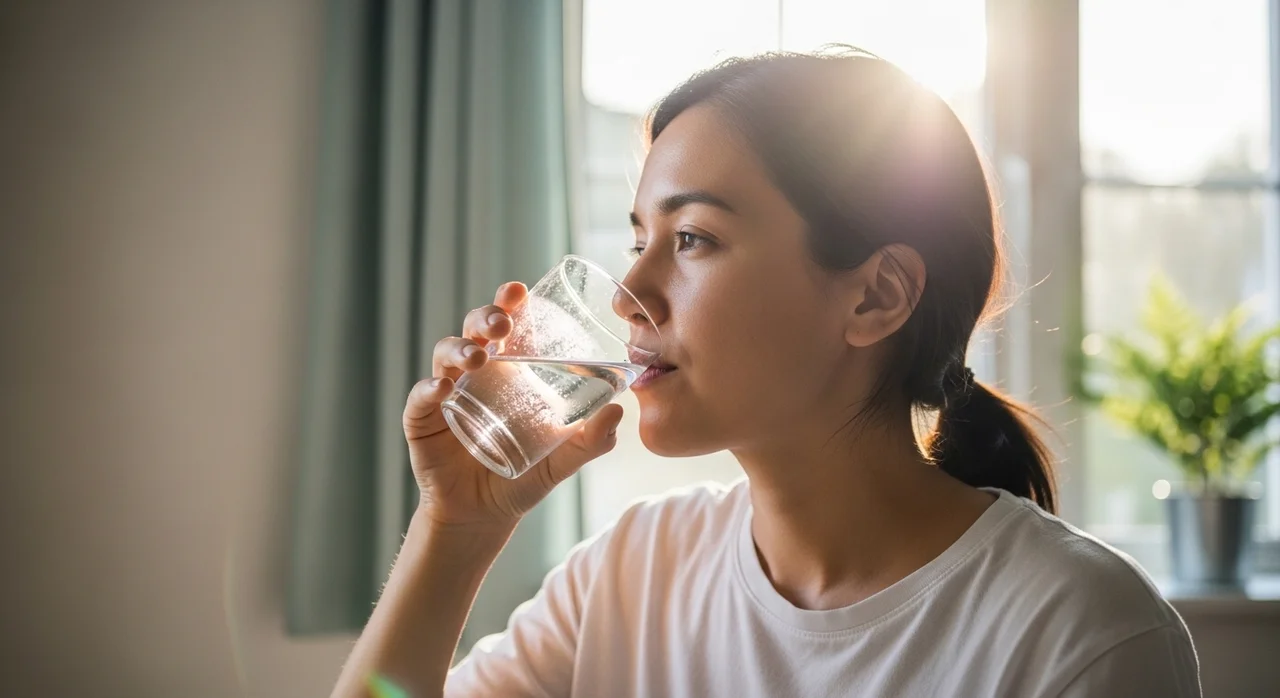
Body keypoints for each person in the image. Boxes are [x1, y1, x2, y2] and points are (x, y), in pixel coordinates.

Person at [331, 50, 1201, 698]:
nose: (630, 293)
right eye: (639, 240)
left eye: (693, 239)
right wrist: (456, 529)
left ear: (876, 297)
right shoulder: (635, 572)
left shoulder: (1080, 633)